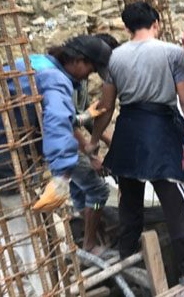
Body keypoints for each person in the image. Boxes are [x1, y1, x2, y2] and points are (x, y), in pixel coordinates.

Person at [0, 35, 113, 295]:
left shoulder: (34, 63)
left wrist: (84, 117)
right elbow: (56, 120)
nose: (89, 77)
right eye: (91, 69)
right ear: (77, 61)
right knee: (27, 252)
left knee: (5, 247)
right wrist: (62, 176)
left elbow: (45, 112)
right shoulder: (55, 79)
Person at [86, 1, 184, 283]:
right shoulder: (171, 52)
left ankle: (127, 259)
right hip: (160, 132)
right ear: (156, 23)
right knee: (176, 205)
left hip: (128, 133)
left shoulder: (115, 58)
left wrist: (94, 140)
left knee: (129, 205)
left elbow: (106, 106)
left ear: (127, 27)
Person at [69, 33, 120, 256]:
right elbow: (69, 124)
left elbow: (86, 117)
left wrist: (110, 141)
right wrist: (91, 156)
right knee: (99, 193)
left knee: (80, 191)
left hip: (68, 145)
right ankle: (90, 243)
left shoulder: (80, 79)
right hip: (65, 144)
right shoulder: (66, 83)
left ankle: (91, 230)